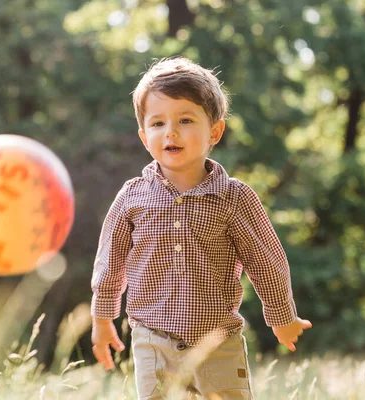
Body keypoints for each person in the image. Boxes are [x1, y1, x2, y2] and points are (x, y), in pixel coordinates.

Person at [90, 57, 312, 399]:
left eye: (185, 120)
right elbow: (110, 260)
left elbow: (266, 262)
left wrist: (282, 315)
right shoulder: (133, 196)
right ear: (144, 136)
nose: (171, 132)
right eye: (158, 123)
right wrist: (103, 318)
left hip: (217, 342)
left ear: (215, 131)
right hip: (153, 340)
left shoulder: (233, 197)